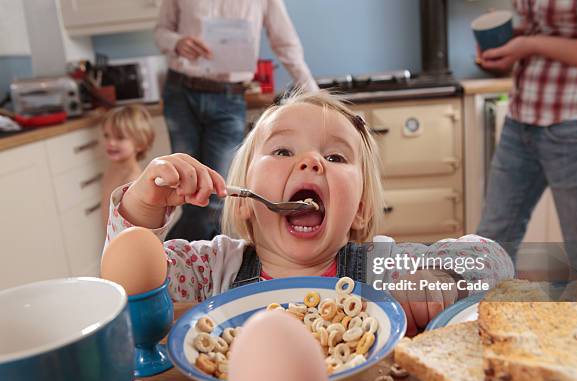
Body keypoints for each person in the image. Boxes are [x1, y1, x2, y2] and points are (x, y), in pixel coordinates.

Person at [105, 90, 513, 336]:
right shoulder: (211, 269)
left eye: (335, 156)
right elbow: (127, 289)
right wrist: (142, 208)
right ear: (243, 197)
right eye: (283, 151)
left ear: (360, 209)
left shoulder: (383, 267)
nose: (311, 162)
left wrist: (440, 276)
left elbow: (495, 259)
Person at [154, 0, 318, 242]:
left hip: (228, 98)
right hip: (181, 94)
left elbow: (286, 44)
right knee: (187, 191)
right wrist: (177, 43)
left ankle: (164, 258)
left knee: (215, 200)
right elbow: (161, 32)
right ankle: (205, 270)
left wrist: (314, 96)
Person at [476, 0, 577, 281]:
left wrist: (531, 45)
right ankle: (483, 322)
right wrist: (514, 40)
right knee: (491, 243)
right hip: (522, 115)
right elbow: (559, 25)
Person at [101, 105, 155, 225]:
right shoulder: (111, 170)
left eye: (120, 138)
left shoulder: (134, 181)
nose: (111, 143)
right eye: (106, 135)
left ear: (140, 143)